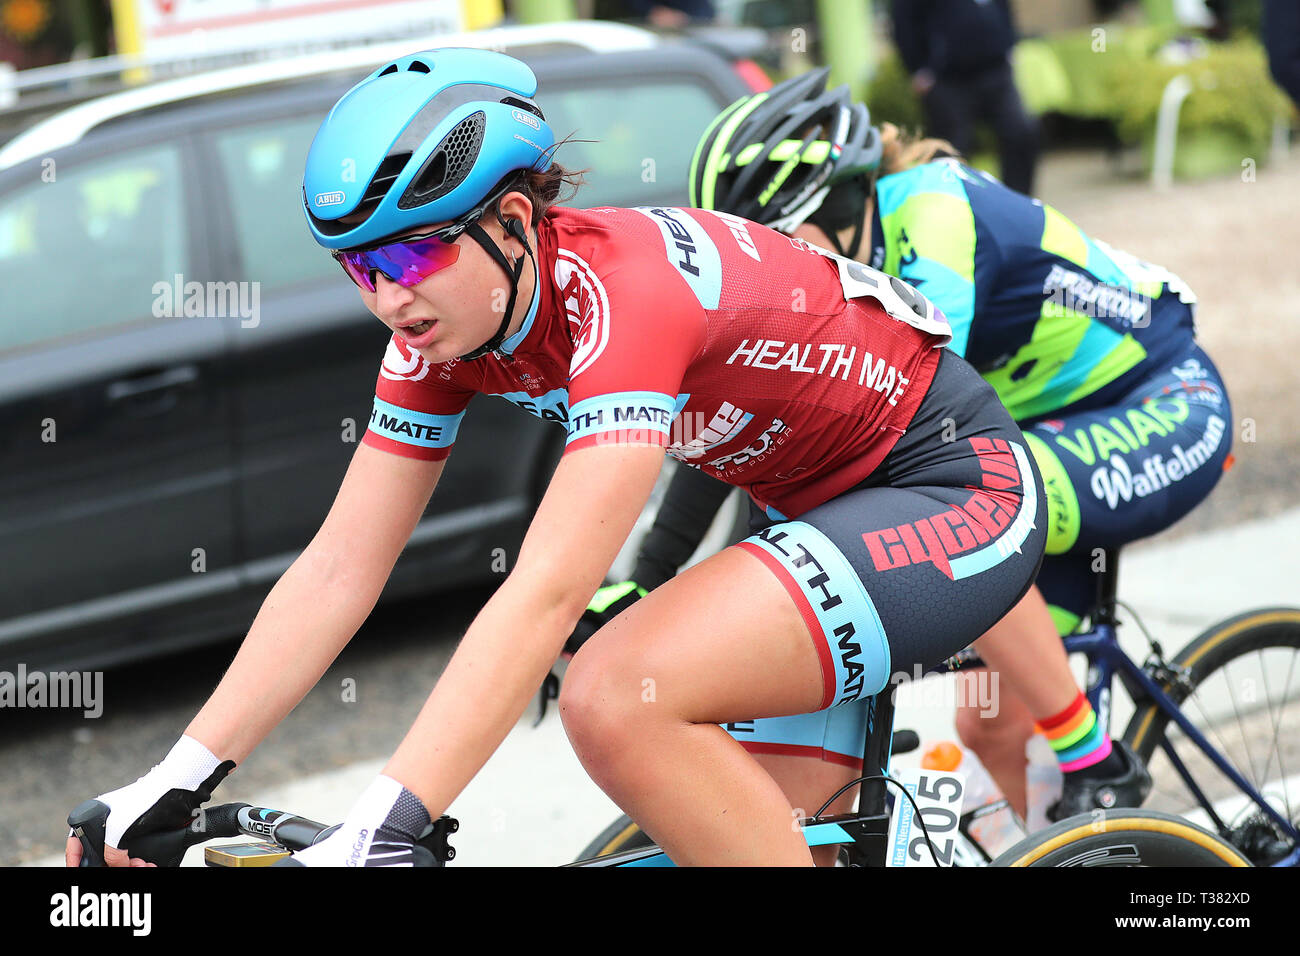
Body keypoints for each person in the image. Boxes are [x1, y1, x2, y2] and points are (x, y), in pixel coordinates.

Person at [64, 48, 1044, 867]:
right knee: (771, 843)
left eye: (408, 256)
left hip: (949, 484)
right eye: (358, 268)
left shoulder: (629, 295)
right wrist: (172, 778)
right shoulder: (435, 336)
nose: (388, 298)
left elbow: (544, 587)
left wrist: (389, 820)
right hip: (812, 509)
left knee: (614, 694)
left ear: (513, 223)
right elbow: (338, 567)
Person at [576, 68, 1234, 836]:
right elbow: (744, 432)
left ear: (850, 201)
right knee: (991, 726)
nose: (769, 264)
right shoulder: (824, 264)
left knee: (957, 510)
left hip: (1158, 402)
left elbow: (899, 453)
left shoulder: (931, 219)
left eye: (782, 240)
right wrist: (645, 579)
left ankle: (1098, 764)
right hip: (1038, 427)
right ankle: (1094, 857)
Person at [890, 0, 1039, 195]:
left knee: (1021, 131)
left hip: (995, 69)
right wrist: (918, 70)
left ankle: (1017, 201)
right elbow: (903, 21)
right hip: (947, 79)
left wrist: (1008, 45)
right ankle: (952, 207)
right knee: (950, 151)